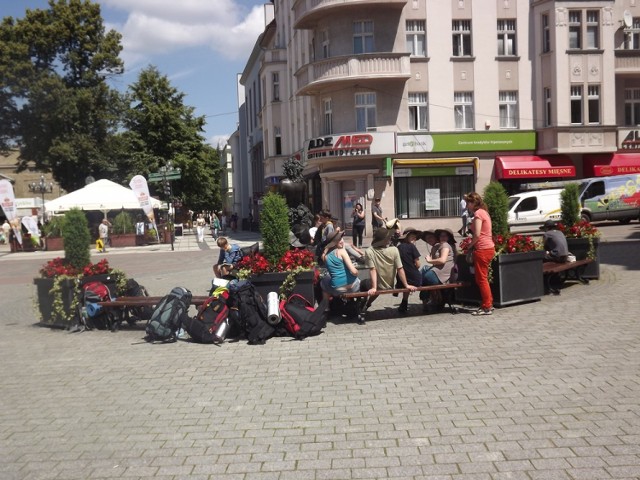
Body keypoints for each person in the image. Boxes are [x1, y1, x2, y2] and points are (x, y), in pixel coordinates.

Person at [359, 227, 417, 316]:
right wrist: (406, 285)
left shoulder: (369, 251)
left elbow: (372, 270)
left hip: (377, 285)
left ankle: (363, 305)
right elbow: (400, 269)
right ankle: (367, 304)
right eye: (388, 237)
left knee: (362, 284)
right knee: (378, 287)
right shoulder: (394, 250)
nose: (390, 238)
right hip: (389, 284)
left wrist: (374, 287)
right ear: (385, 240)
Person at [465, 192, 495, 316]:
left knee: (481, 279)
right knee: (483, 278)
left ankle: (486, 306)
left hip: (482, 249)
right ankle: (489, 303)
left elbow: (477, 234)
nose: (467, 205)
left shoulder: (478, 214)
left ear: (473, 203)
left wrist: (470, 245)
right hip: (489, 247)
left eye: (468, 203)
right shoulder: (484, 212)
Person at [421, 228, 457, 312]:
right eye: (441, 236)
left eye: (444, 236)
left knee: (423, 276)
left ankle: (430, 300)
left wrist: (430, 260)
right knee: (423, 273)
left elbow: (442, 260)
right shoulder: (438, 246)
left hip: (443, 276)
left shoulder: (445, 245)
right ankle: (431, 300)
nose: (442, 237)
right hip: (438, 273)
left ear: (448, 237)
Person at [320, 231, 361, 302]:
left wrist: (328, 247)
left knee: (323, 282)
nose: (342, 241)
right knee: (357, 280)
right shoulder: (342, 251)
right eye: (339, 240)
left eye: (341, 238)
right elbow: (354, 272)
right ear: (334, 243)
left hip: (336, 289)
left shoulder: (324, 256)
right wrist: (357, 273)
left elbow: (325, 253)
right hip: (351, 287)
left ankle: (326, 307)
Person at [395, 228, 422, 313]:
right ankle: (425, 303)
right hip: (413, 278)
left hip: (401, 279)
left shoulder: (398, 247)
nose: (414, 239)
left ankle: (404, 302)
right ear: (406, 237)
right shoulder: (412, 247)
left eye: (415, 238)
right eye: (412, 237)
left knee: (406, 278)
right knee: (426, 280)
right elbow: (418, 264)